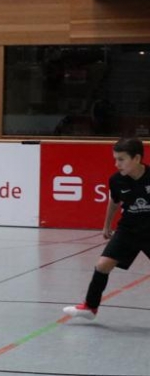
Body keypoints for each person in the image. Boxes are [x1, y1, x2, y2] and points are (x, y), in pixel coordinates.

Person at [64, 137, 150, 321]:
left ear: (136, 158)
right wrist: (107, 224)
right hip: (128, 229)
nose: (116, 164)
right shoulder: (116, 180)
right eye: (115, 159)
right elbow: (114, 201)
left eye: (121, 159)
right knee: (102, 265)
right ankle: (90, 308)